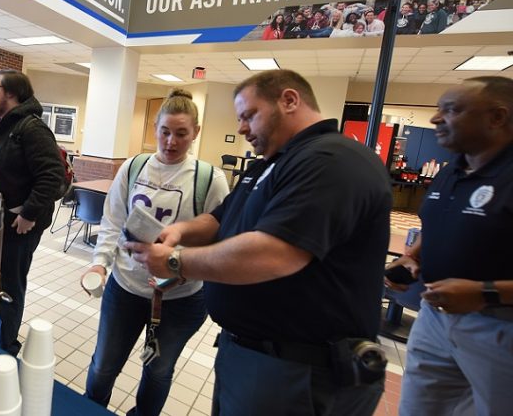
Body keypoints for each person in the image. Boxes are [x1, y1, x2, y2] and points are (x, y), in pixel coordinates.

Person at [126, 70, 392, 415]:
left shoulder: (331, 161)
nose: (240, 128)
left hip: (299, 370)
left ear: (289, 100)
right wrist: (181, 232)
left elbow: (275, 253)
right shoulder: (271, 164)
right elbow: (220, 218)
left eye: (249, 115)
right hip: (253, 356)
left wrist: (176, 262)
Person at [81, 89, 229, 415]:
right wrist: (100, 263)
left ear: (196, 133)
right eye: (165, 131)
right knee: (104, 365)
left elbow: (219, 241)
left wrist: (181, 270)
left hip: (180, 300)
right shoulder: (134, 167)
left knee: (159, 370)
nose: (171, 141)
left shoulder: (209, 179)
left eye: (181, 134)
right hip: (125, 288)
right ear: (155, 128)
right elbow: (113, 219)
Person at [387, 76, 513, 415]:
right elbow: (436, 223)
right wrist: (412, 256)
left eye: (452, 110)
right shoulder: (453, 170)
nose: (436, 119)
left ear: (497, 117)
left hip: (500, 326)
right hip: (434, 319)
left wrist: (485, 292)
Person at [0, 69, 64, 357]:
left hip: (17, 223)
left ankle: (4, 347)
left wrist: (29, 213)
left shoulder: (31, 128)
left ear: (11, 93)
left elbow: (51, 175)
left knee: (9, 283)